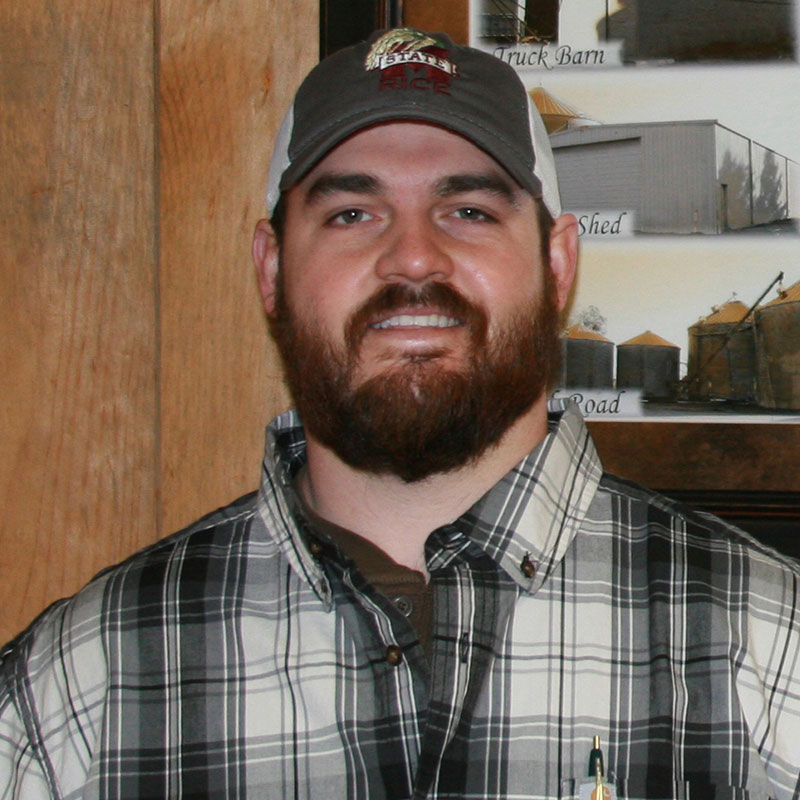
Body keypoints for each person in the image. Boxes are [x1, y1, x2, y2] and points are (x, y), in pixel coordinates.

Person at [1, 26, 799, 800]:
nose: (413, 256)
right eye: (352, 213)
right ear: (272, 269)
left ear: (558, 266)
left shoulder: (767, 650)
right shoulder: (79, 689)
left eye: (469, 211)